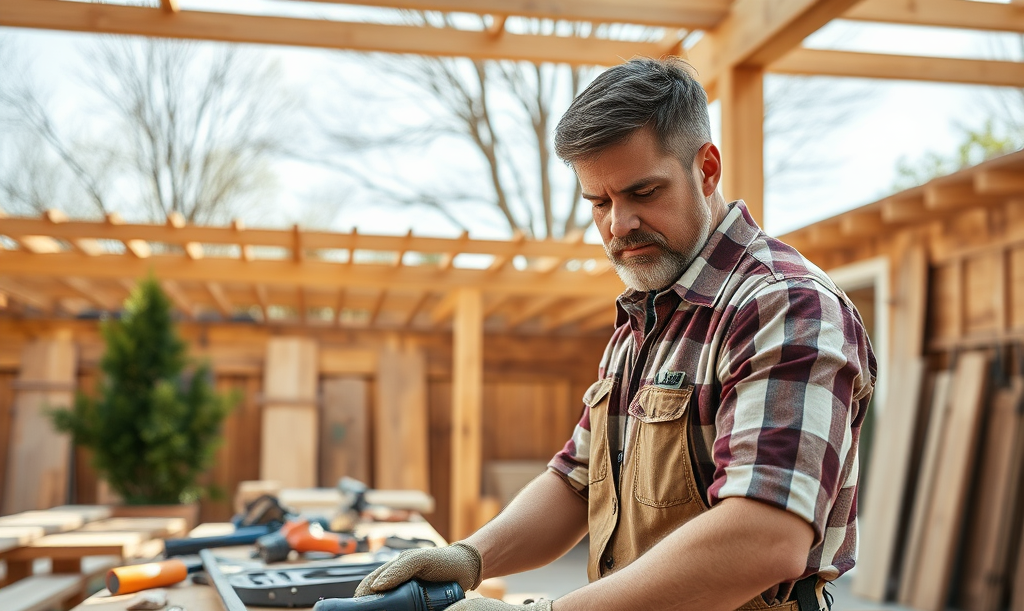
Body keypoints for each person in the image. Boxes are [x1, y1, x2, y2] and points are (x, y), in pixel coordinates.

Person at [355, 57, 876, 611]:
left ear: (707, 169)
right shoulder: (644, 317)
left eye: (643, 192)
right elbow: (577, 480)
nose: (617, 224)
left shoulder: (785, 306)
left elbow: (765, 539)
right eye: (599, 203)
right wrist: (470, 558)